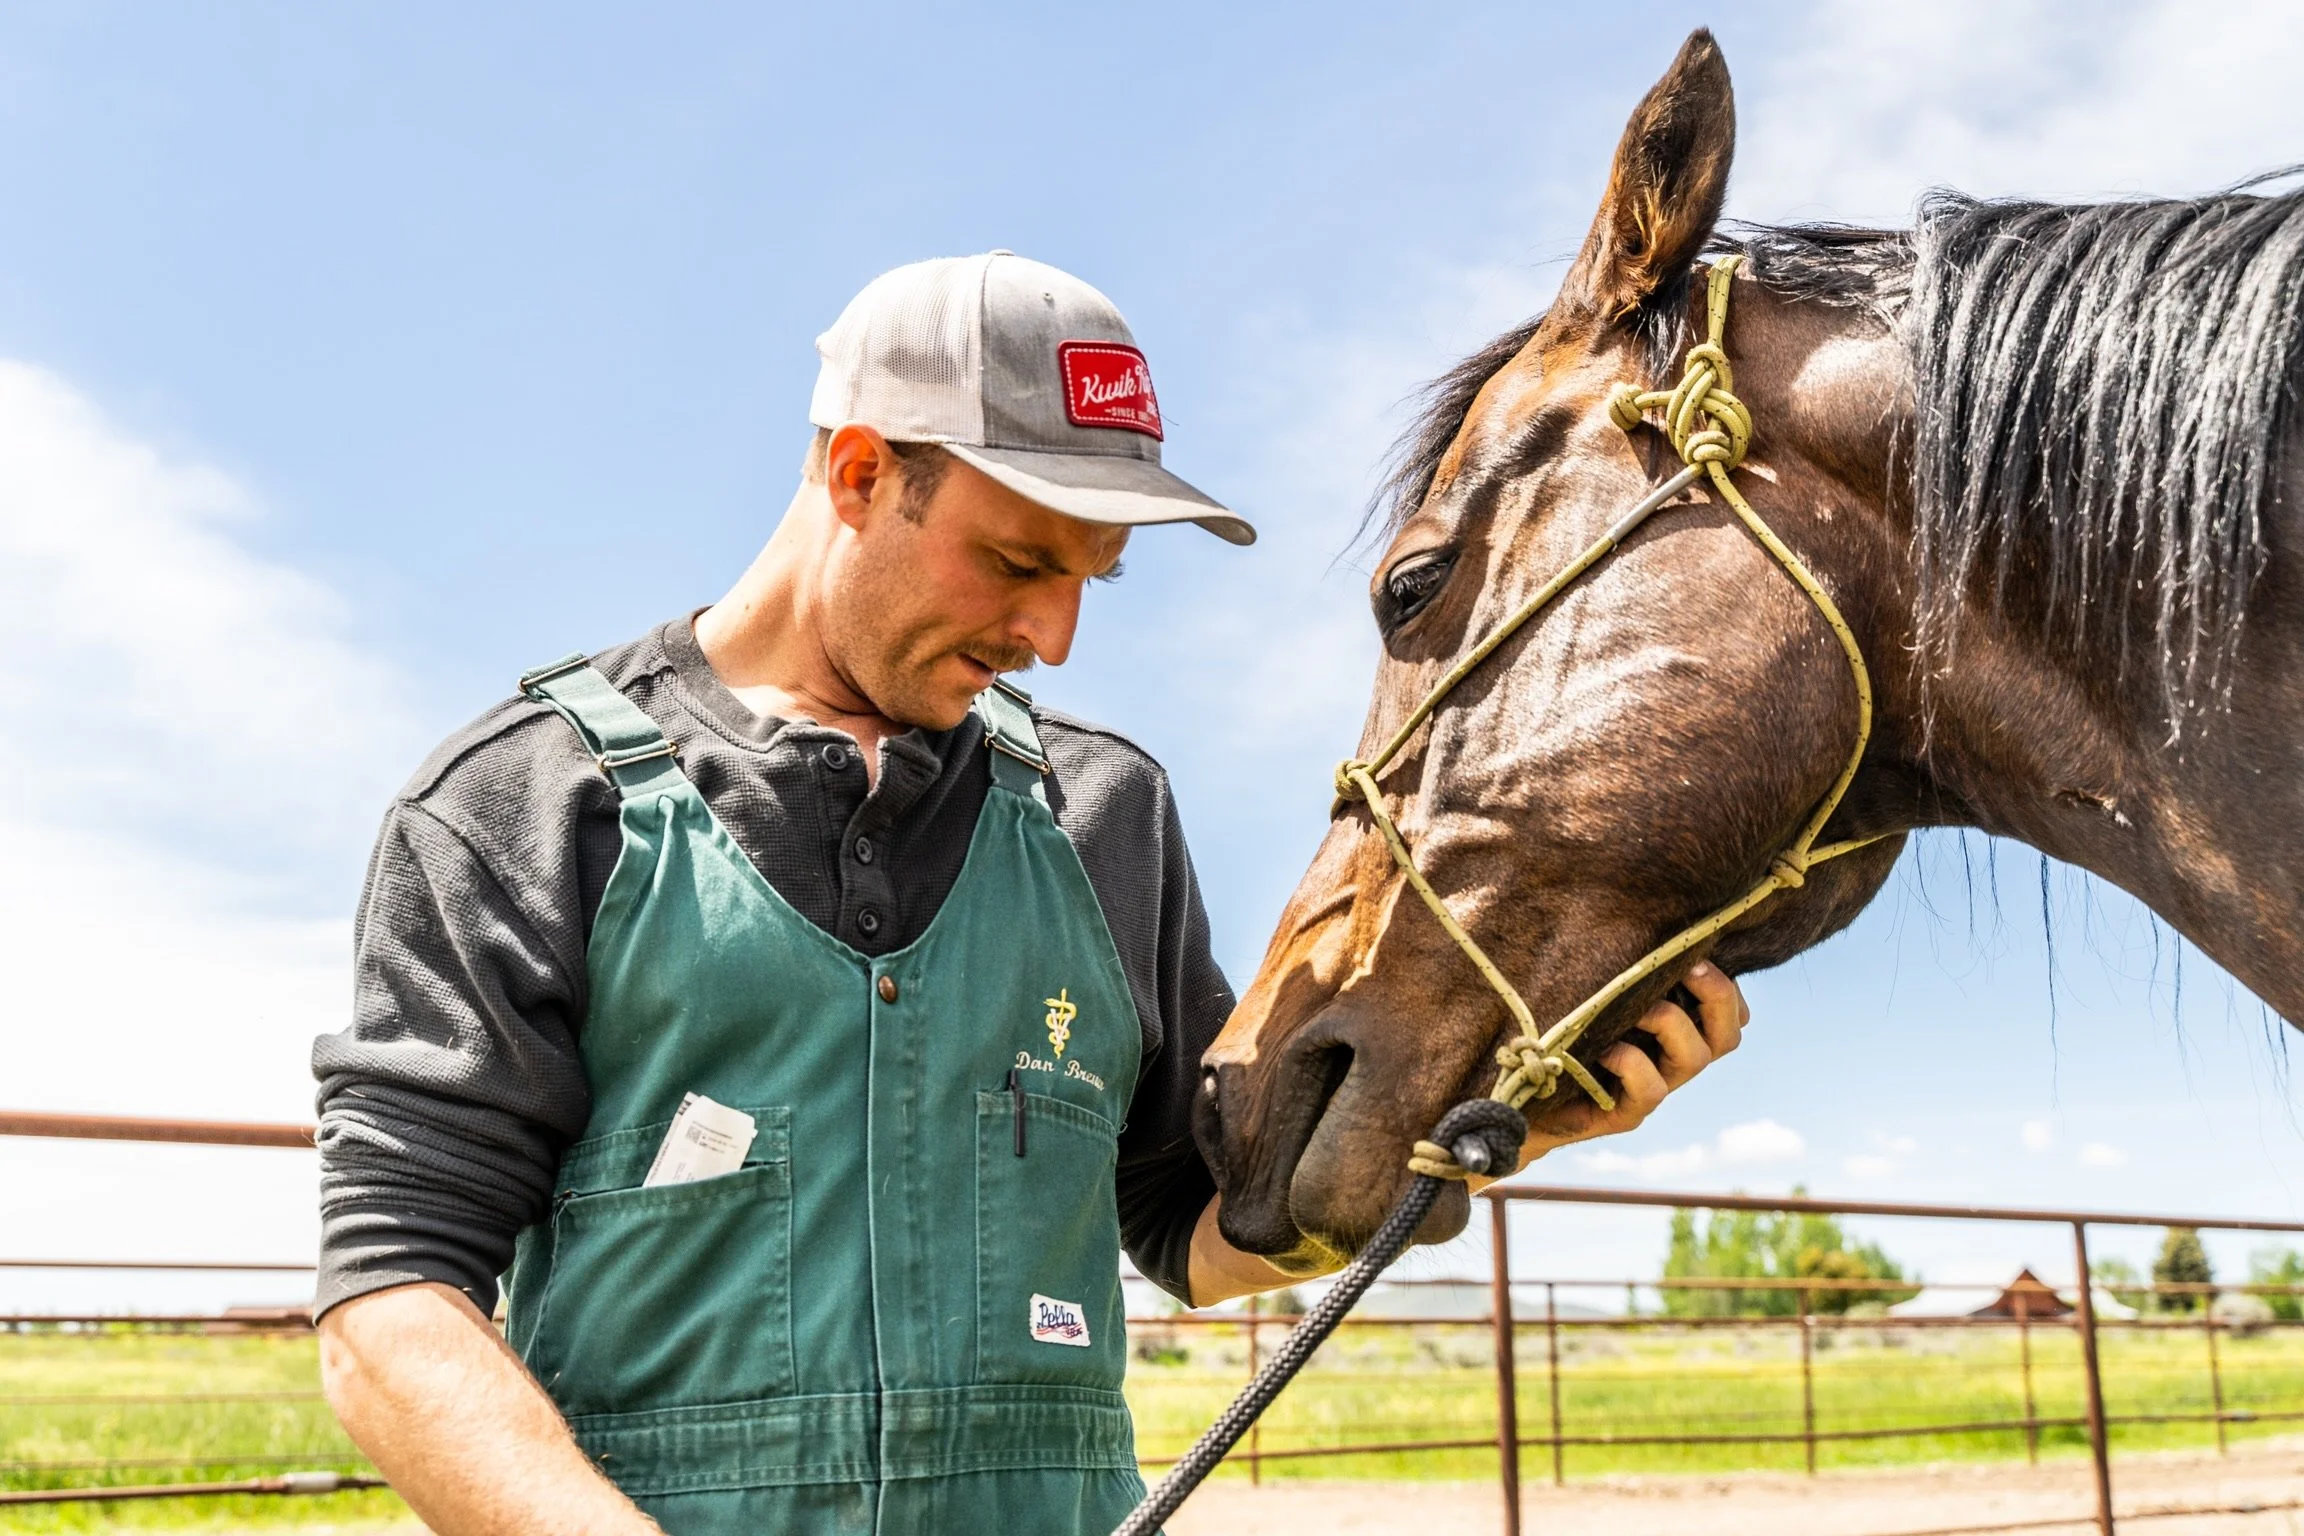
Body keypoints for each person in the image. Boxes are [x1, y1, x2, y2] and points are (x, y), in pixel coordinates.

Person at [309, 252, 1750, 1535]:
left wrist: (1485, 1128)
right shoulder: (526, 802)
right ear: (859, 472)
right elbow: (389, 1304)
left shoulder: (1107, 809)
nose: (1052, 635)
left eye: (1095, 581)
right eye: (1016, 561)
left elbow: (1189, 1234)